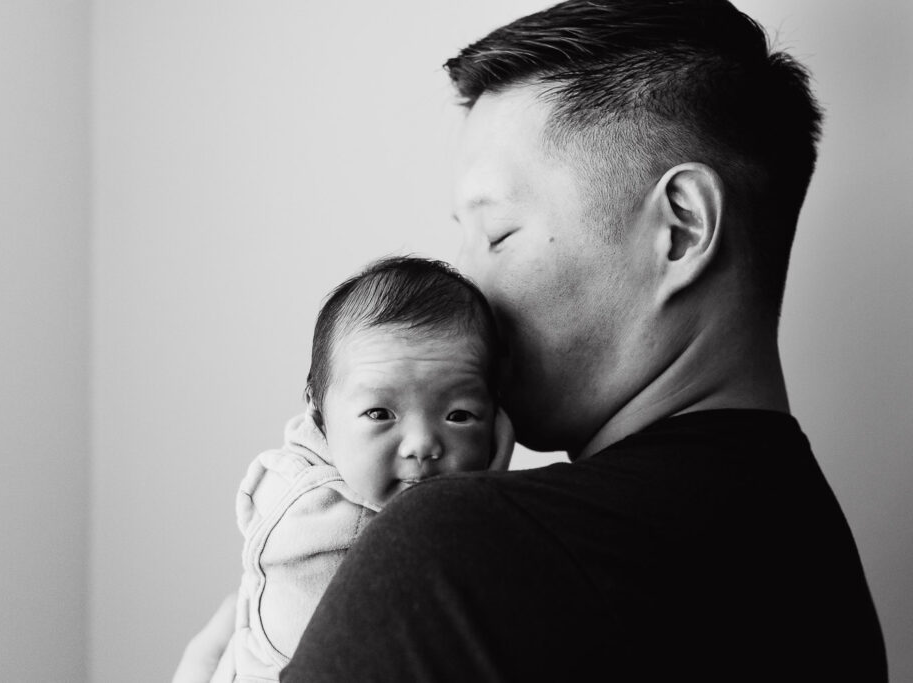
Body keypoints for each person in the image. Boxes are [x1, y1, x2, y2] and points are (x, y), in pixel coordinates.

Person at [177, 1, 888, 680]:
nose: (468, 287)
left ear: (680, 227)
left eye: (497, 234)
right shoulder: (824, 575)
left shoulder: (453, 553)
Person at [215, 257, 514, 682]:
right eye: (380, 413)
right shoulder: (323, 523)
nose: (422, 444)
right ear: (320, 419)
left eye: (459, 415)